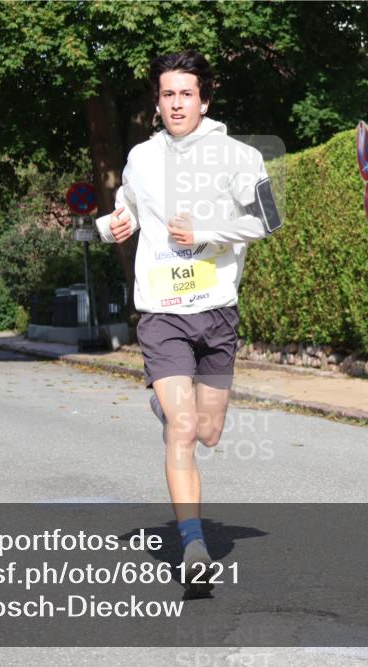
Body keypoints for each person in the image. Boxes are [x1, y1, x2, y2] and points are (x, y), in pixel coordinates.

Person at [95, 51, 278, 595]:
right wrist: (111, 228)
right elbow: (122, 209)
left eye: (186, 94)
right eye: (168, 95)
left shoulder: (238, 156)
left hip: (217, 308)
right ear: (159, 102)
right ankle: (193, 547)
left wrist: (207, 230)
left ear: (205, 100)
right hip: (161, 312)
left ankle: (164, 404)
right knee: (182, 429)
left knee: (208, 432)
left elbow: (268, 219)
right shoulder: (140, 159)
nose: (176, 104)